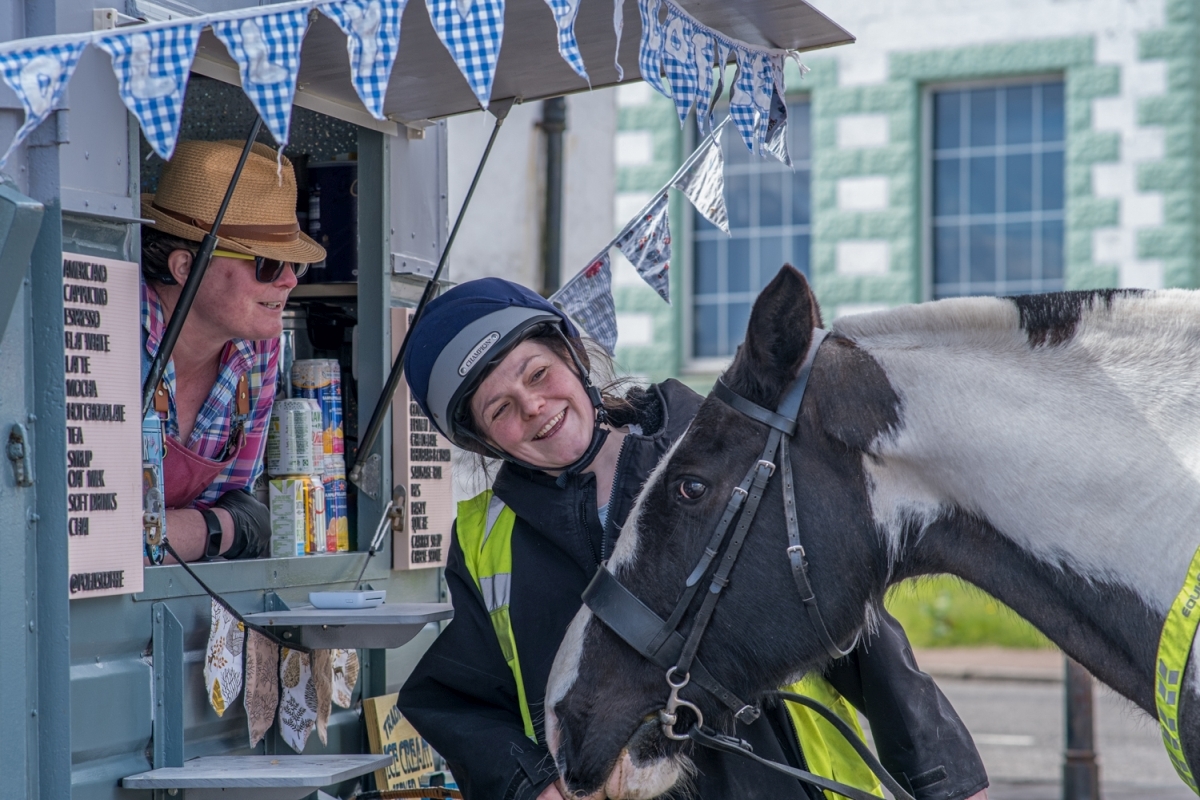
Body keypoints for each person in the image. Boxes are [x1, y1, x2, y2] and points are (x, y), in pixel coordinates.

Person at [398, 278, 990, 800]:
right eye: (500, 408)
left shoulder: (722, 458)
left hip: (785, 783)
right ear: (483, 441)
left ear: (573, 357)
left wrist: (945, 779)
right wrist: (529, 786)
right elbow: (455, 697)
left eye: (538, 374)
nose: (533, 406)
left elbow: (859, 634)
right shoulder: (485, 537)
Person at [140, 139, 325, 563]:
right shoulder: (112, 329)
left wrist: (215, 528)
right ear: (185, 266)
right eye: (267, 264)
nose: (289, 282)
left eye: (295, 264)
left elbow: (244, 516)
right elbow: (93, 531)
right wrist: (213, 529)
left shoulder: (259, 349)